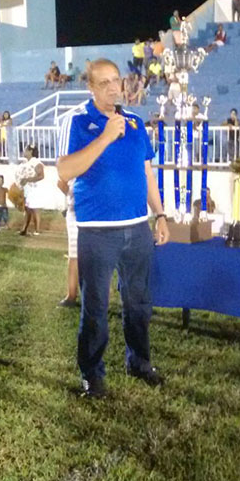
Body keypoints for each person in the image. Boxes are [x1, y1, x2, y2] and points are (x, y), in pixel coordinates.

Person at [57, 58, 169, 397]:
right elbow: (65, 170)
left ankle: (139, 361)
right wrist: (105, 137)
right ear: (91, 87)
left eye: (115, 80)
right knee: (95, 308)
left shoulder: (135, 122)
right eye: (103, 82)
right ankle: (92, 373)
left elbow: (147, 172)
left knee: (139, 303)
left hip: (137, 228)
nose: (112, 87)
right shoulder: (77, 121)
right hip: (97, 231)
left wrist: (160, 214)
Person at [57, 178, 79, 307]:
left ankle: (101, 298)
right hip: (75, 211)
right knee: (74, 255)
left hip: (95, 211)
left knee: (97, 256)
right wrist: (71, 194)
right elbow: (60, 183)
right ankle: (71, 295)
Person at [17, 144, 45, 236]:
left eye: (26, 150)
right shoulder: (26, 162)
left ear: (31, 151)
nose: (24, 152)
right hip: (28, 190)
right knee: (27, 209)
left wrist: (28, 180)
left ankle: (37, 230)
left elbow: (41, 176)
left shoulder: (36, 162)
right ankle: (24, 229)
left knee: (35, 209)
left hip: (34, 190)